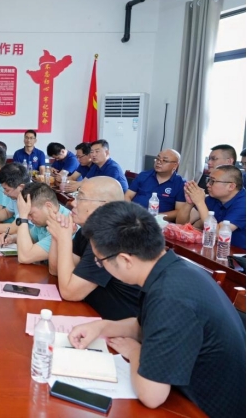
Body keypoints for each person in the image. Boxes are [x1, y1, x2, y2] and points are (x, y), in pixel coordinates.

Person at [68, 201, 245, 417]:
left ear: (125, 260)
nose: (99, 265)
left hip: (201, 409)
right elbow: (148, 325)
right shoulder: (172, 269)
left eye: (100, 261)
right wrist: (102, 327)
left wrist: (135, 352)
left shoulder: (170, 296)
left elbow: (152, 396)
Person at [47, 176, 141, 320]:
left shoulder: (112, 237)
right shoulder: (88, 230)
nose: (73, 203)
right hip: (91, 312)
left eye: (80, 198)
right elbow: (55, 270)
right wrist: (57, 235)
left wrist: (64, 238)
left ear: (104, 206)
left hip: (118, 325)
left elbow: (70, 292)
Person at [0, 182, 72, 264]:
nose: (28, 218)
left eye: (30, 214)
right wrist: (12, 238)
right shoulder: (44, 220)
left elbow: (25, 257)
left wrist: (23, 217)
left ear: (48, 206)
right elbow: (31, 237)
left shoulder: (64, 224)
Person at [181, 164, 245, 249]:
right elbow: (181, 224)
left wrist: (200, 202)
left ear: (231, 186)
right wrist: (189, 203)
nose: (208, 184)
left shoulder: (244, 203)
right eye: (208, 180)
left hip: (238, 253)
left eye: (212, 181)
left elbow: (218, 234)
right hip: (215, 247)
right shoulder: (213, 198)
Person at [125, 149, 186, 222]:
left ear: (175, 165)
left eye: (164, 160)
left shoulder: (180, 183)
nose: (159, 162)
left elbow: (179, 211)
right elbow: (127, 196)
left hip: (160, 222)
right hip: (134, 218)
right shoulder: (143, 175)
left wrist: (156, 217)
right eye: (157, 158)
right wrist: (131, 212)